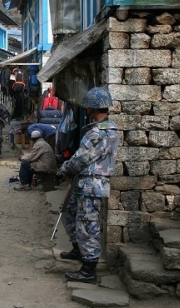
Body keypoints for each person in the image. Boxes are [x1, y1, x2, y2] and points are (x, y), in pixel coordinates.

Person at [58, 87, 120, 284]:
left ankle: (88, 270)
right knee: (69, 213)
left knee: (88, 223)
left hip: (91, 183)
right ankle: (79, 250)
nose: (86, 111)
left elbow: (82, 158)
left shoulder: (100, 132)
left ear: (93, 109)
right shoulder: (102, 129)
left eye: (88, 108)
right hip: (85, 181)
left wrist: (66, 167)